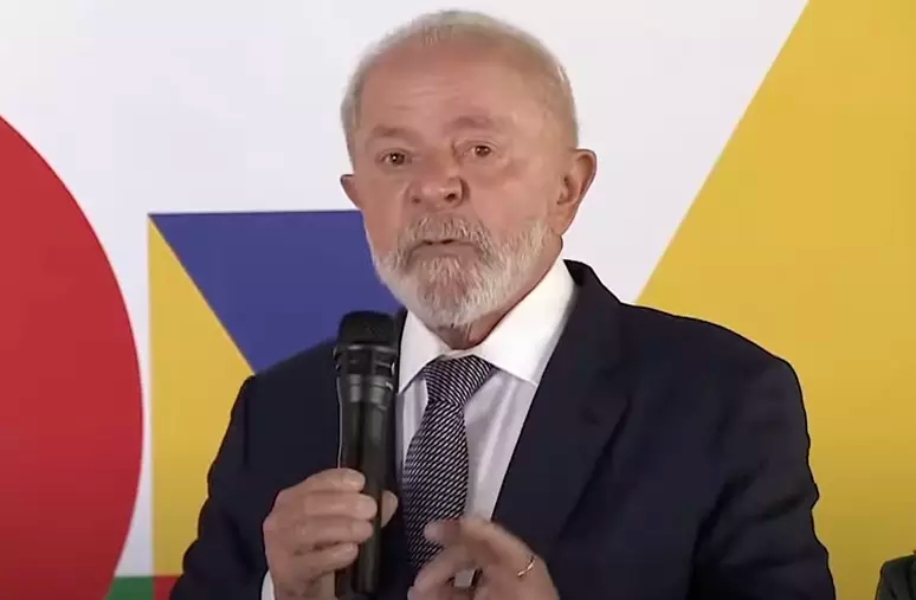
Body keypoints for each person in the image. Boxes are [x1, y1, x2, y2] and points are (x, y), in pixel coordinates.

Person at [170, 9, 836, 600]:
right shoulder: (279, 411)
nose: (434, 186)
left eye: (479, 149)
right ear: (358, 197)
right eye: (396, 157)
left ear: (567, 188)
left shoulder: (721, 397)